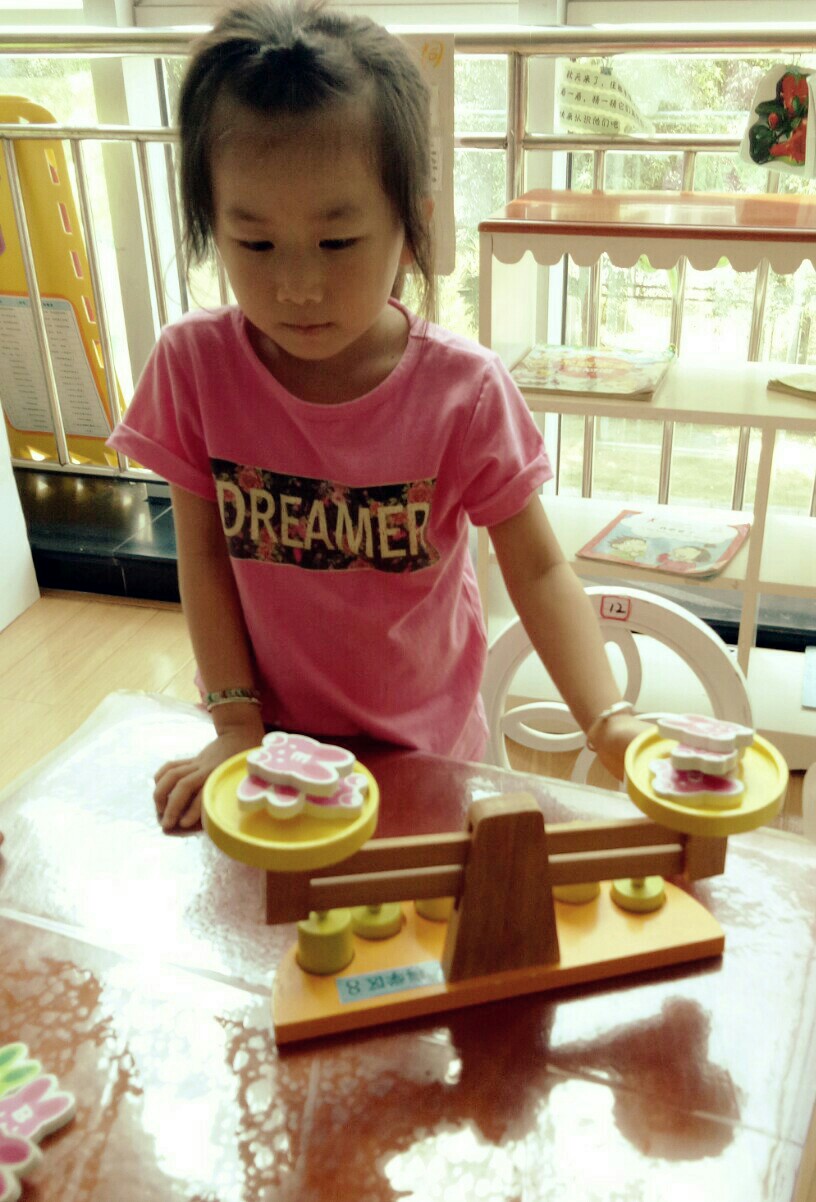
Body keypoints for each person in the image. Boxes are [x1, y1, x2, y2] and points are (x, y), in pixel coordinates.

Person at [108, 0, 645, 832]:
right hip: (272, 757)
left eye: (337, 242)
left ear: (412, 224)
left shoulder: (464, 392)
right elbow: (205, 557)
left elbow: (540, 572)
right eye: (255, 244)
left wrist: (607, 721)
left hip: (424, 761)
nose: (297, 287)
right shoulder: (195, 366)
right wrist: (235, 723)